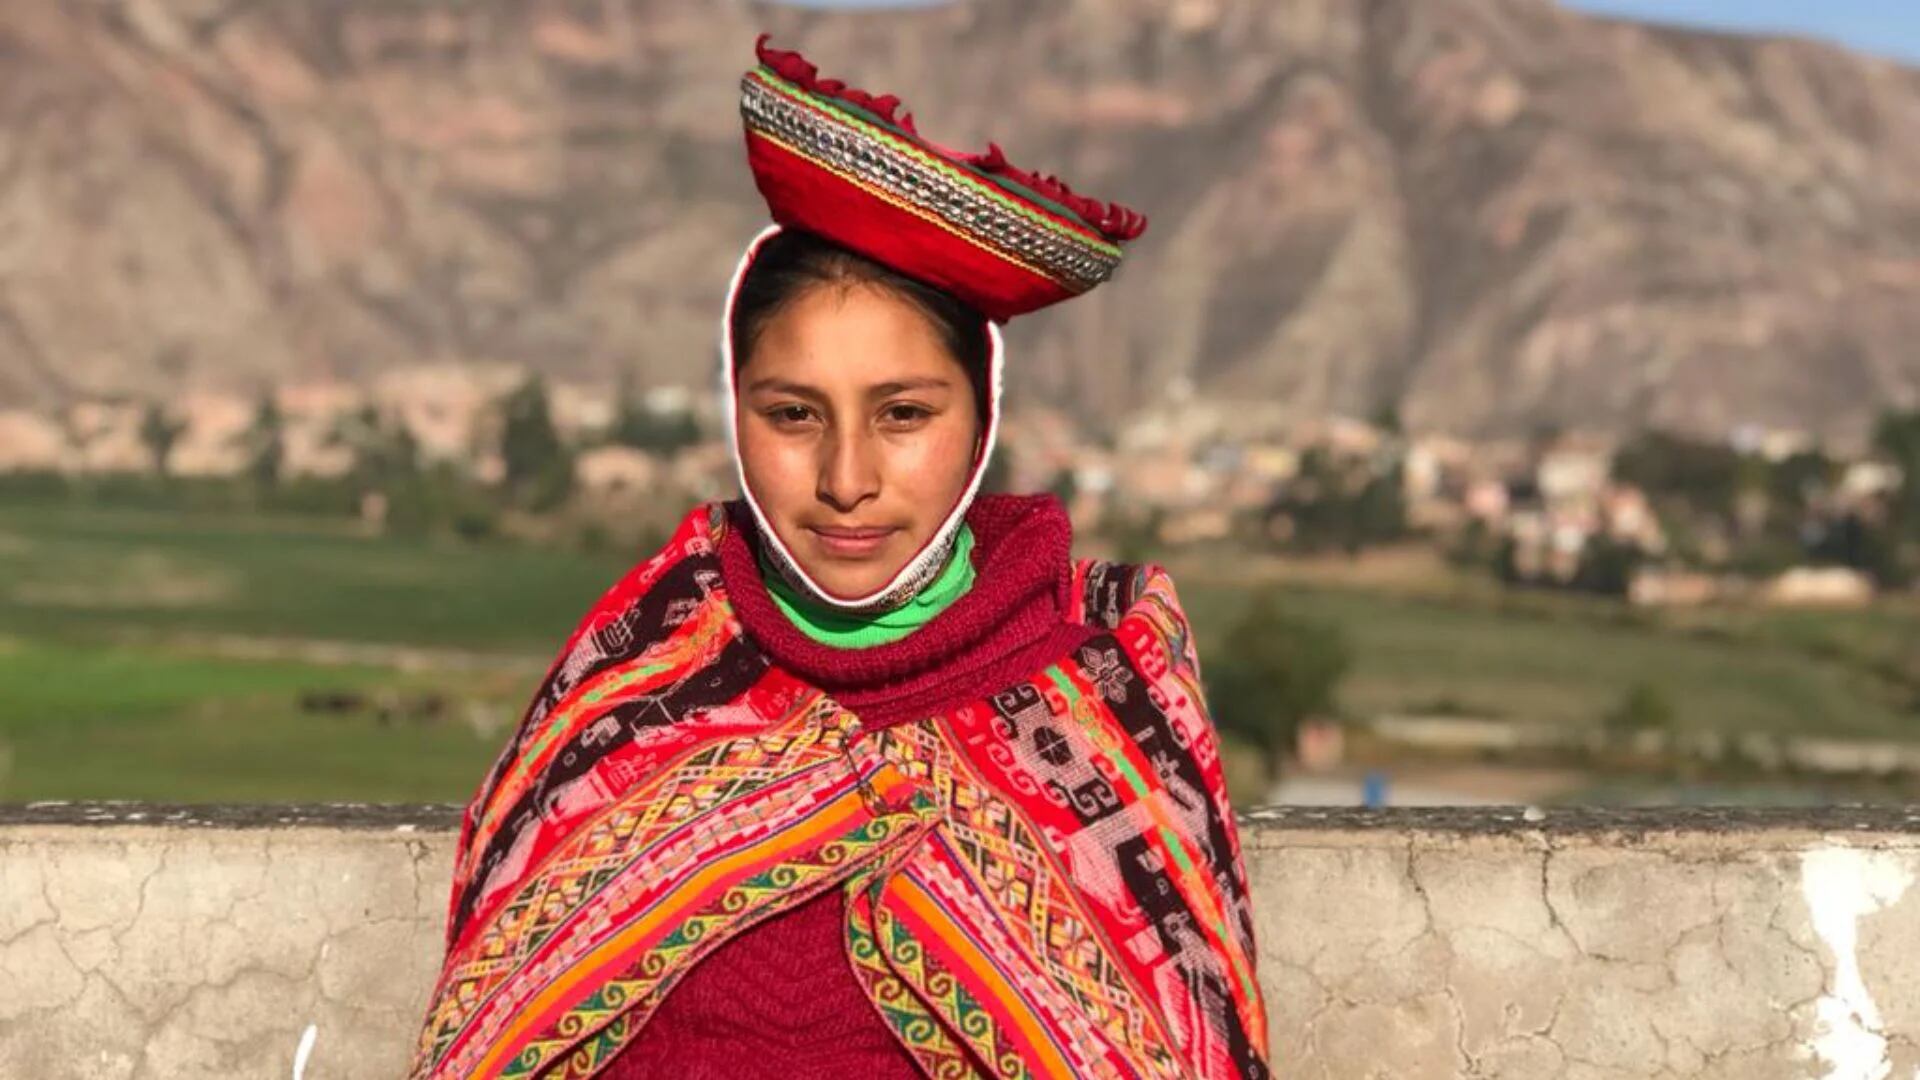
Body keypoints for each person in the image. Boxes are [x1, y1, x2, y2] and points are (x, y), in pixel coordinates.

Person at [409, 36, 1270, 1080]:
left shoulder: (1108, 695)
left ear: (981, 416)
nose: (846, 477)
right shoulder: (636, 683)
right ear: (736, 411)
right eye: (793, 414)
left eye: (903, 414)